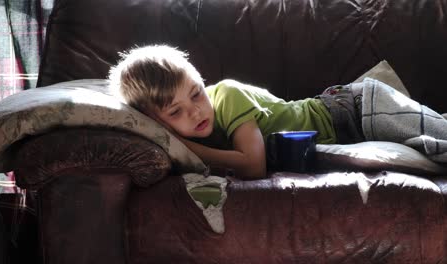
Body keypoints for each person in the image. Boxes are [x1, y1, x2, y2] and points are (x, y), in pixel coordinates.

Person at [109, 44, 447, 179]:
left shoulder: (226, 95)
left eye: (196, 94)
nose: (196, 112)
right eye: (176, 112)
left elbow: (254, 166)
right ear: (156, 120)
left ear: (201, 80)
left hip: (354, 109)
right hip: (349, 133)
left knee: (441, 139)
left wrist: (188, 149)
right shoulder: (189, 130)